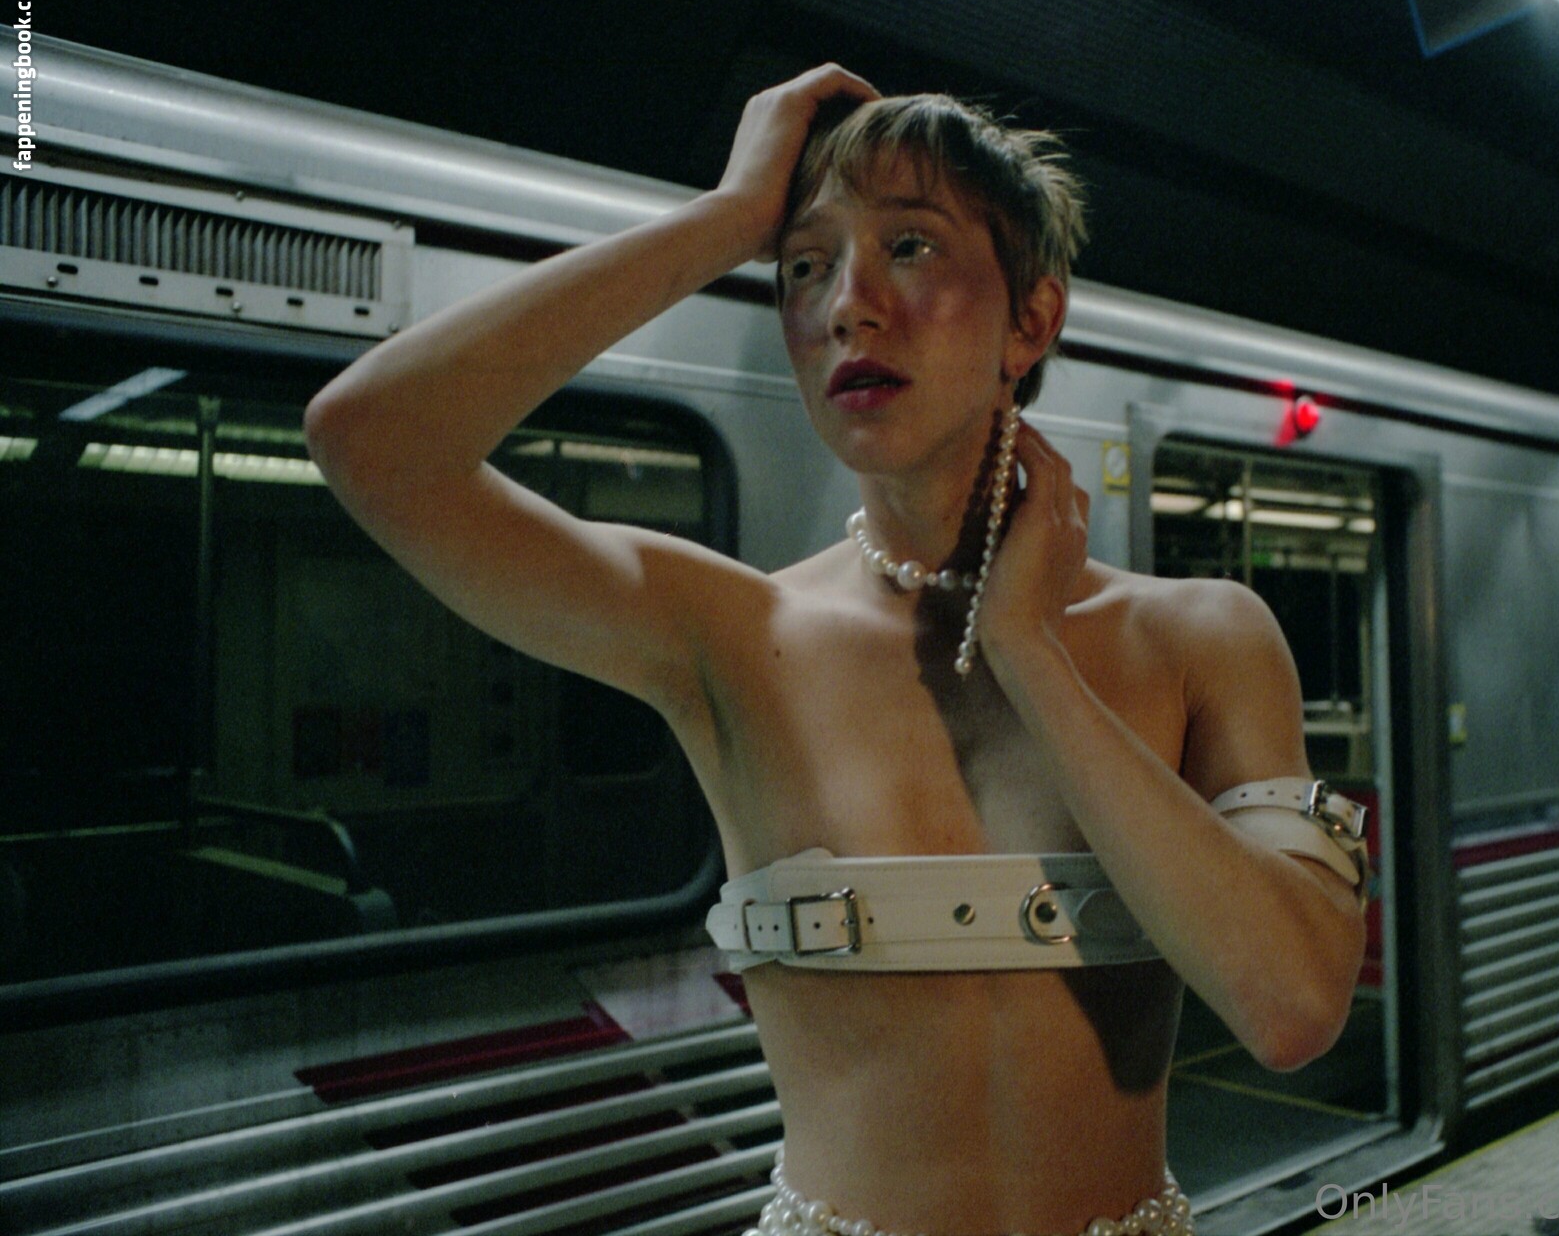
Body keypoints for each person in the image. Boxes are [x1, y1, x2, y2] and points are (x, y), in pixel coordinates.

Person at [304, 63, 1367, 1236]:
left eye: (909, 246)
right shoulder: (733, 635)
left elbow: (1291, 1006)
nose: (848, 307)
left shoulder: (1204, 634)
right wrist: (726, 219)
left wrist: (1026, 647)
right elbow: (371, 440)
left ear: (1030, 320)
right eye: (804, 266)